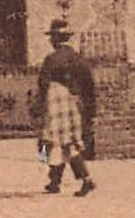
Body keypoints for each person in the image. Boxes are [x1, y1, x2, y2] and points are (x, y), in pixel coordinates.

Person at [35, 17, 97, 196]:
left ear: (54, 39)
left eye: (52, 37)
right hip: (72, 102)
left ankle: (81, 178)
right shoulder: (78, 58)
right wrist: (90, 109)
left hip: (54, 101)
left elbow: (43, 83)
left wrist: (39, 107)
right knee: (67, 142)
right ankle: (55, 181)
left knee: (47, 141)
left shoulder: (51, 59)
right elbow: (89, 85)